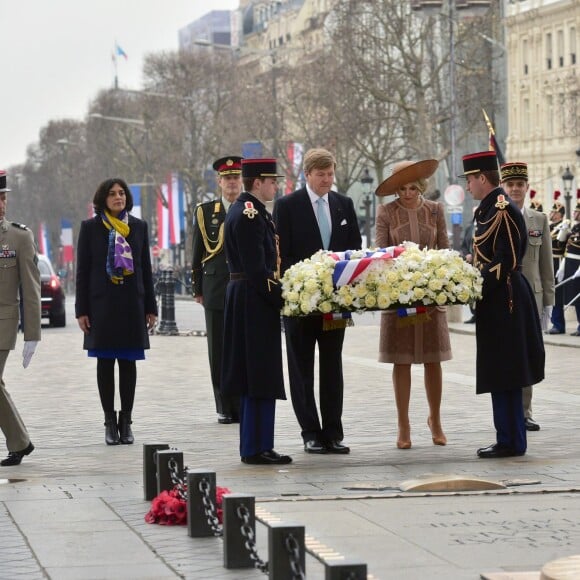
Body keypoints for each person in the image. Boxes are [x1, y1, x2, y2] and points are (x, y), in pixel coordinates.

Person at [273, 148, 362, 455]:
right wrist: (308, 280)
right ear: (307, 175)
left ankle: (333, 432)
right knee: (301, 366)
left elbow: (354, 248)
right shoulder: (287, 206)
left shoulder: (343, 204)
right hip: (302, 302)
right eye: (321, 174)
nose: (327, 179)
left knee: (332, 366)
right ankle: (310, 431)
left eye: (330, 174)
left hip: (336, 303)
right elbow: (281, 253)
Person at [460, 151, 544, 458]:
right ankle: (505, 436)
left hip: (506, 297)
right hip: (494, 299)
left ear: (482, 178)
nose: (468, 186)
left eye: (469, 180)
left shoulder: (502, 209)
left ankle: (513, 440)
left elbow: (505, 260)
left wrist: (474, 282)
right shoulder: (485, 209)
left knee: (508, 370)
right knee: (499, 370)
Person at [374, 159, 451, 449]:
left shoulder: (435, 211)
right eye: (401, 188)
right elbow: (380, 252)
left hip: (431, 296)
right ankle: (403, 424)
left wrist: (438, 277)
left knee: (434, 359)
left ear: (421, 186)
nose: (407, 193)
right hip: (398, 297)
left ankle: (436, 418)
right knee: (402, 360)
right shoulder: (386, 213)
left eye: (413, 187)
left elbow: (444, 250)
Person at [75, 178, 157, 446]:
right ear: (103, 199)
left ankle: (126, 421)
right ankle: (109, 421)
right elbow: (83, 272)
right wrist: (82, 311)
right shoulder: (90, 228)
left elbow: (145, 268)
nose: (118, 197)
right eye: (112, 194)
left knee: (128, 364)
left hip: (132, 305)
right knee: (105, 364)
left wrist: (151, 308)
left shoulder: (138, 226)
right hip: (102, 306)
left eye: (122, 193)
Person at [221, 158, 291, 465]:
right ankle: (254, 446)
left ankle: (261, 443)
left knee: (260, 374)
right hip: (253, 297)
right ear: (258, 182)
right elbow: (256, 268)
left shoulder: (251, 210)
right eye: (272, 181)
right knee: (257, 374)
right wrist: (282, 297)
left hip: (250, 296)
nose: (275, 186)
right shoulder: (249, 215)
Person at [500, 161, 554, 432]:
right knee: (507, 354)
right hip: (506, 296)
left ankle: (525, 411)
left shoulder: (539, 219)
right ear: (503, 187)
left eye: (520, 185)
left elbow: (546, 265)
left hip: (532, 296)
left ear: (526, 187)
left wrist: (549, 304)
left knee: (528, 354)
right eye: (511, 185)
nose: (516, 189)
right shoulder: (497, 216)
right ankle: (509, 411)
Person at [191, 156, 243, 424]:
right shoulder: (205, 212)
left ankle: (241, 403)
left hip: (244, 289)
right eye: (228, 178)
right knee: (219, 350)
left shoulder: (250, 209)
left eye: (236, 178)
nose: (232, 183)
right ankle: (223, 405)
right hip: (215, 288)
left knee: (241, 348)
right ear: (219, 182)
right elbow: (197, 252)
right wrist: (197, 288)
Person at [0, 170, 40, 467]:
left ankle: (19, 442)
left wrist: (32, 333)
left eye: (3, 198)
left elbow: (31, 287)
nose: (2, 204)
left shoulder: (18, 236)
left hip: (3, 321)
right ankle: (21, 442)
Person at [556, 192, 580, 335]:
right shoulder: (575, 228)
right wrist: (563, 232)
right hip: (570, 264)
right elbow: (561, 245)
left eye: (577, 211)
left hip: (578, 265)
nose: (574, 214)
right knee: (574, 297)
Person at [548, 192, 568, 334]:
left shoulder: (564, 226)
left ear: (560, 215)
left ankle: (558, 324)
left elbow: (561, 246)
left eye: (555, 212)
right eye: (552, 211)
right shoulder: (549, 227)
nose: (552, 214)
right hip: (548, 261)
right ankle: (553, 322)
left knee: (557, 294)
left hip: (558, 262)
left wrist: (563, 231)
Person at [460, 206, 477, 324]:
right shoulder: (469, 228)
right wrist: (467, 254)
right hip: (470, 266)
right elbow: (464, 245)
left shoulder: (487, 226)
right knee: (471, 290)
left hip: (481, 265)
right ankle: (474, 314)